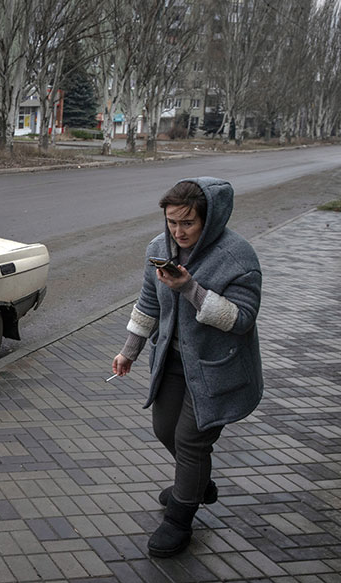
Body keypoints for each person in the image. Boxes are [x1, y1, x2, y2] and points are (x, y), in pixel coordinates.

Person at [111, 177, 263, 558]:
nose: (177, 232)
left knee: (191, 441)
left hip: (216, 367)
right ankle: (196, 483)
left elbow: (242, 319)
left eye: (187, 223)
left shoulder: (237, 257)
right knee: (164, 429)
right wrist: (129, 350)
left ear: (208, 220)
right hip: (172, 360)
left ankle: (179, 519)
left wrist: (191, 289)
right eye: (171, 222)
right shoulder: (159, 247)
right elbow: (148, 302)